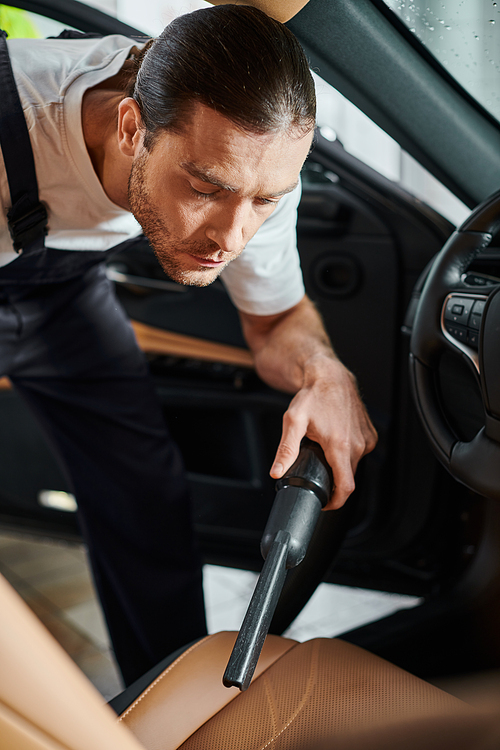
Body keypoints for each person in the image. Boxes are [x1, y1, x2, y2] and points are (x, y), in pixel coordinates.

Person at [0, 4, 377, 685]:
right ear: (130, 127)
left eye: (264, 201)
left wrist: (324, 370)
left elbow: (273, 323)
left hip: (59, 294)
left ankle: (169, 698)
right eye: (206, 189)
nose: (234, 236)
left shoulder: (251, 162)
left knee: (144, 492)